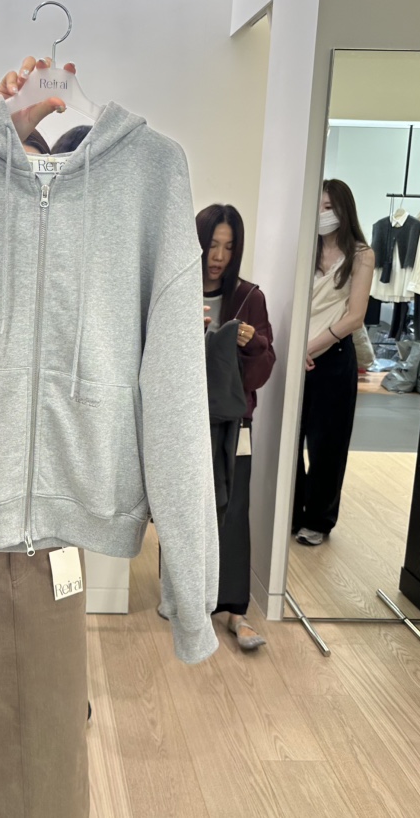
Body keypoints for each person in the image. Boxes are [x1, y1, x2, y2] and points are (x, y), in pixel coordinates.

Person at [197, 204, 276, 650]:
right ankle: (188, 597)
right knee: (187, 508)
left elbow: (262, 368)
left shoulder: (249, 297)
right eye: (212, 244)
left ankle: (234, 611)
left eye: (229, 247)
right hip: (184, 420)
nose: (218, 256)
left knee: (233, 508)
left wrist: (252, 344)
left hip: (234, 421)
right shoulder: (177, 288)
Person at [293, 179, 375, 546]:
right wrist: (297, 350)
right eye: (318, 206)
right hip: (297, 356)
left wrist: (310, 348)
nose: (323, 214)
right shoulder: (304, 250)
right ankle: (291, 513)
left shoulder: (361, 255)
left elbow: (355, 316)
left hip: (333, 357)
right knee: (289, 439)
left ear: (344, 209)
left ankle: (318, 520)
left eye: (329, 207)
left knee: (327, 444)